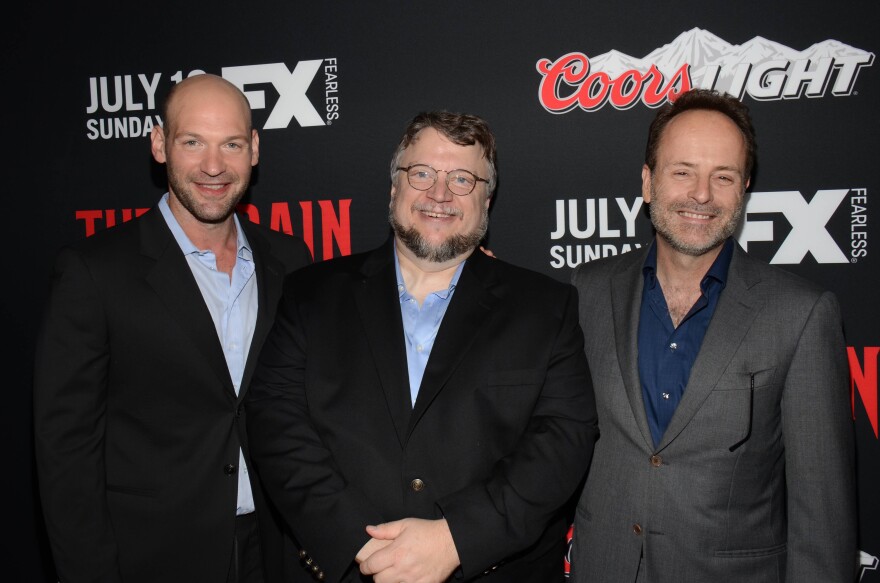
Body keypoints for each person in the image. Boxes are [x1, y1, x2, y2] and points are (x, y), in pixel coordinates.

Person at [245, 110, 599, 583]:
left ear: (487, 201)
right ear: (394, 188)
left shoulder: (546, 307)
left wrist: (457, 539)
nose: (439, 193)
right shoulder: (311, 294)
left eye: (462, 179)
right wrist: (358, 544)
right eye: (422, 174)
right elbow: (275, 424)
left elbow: (563, 442)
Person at [33, 74, 316, 583]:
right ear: (160, 144)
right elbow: (66, 454)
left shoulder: (290, 261)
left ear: (253, 149)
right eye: (193, 142)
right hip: (153, 558)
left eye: (231, 144)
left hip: (275, 551)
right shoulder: (95, 271)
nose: (213, 166)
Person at [568, 88, 857, 582]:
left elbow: (822, 515)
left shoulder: (801, 313)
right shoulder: (584, 293)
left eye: (722, 177)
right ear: (647, 182)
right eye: (682, 172)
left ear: (743, 188)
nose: (701, 195)